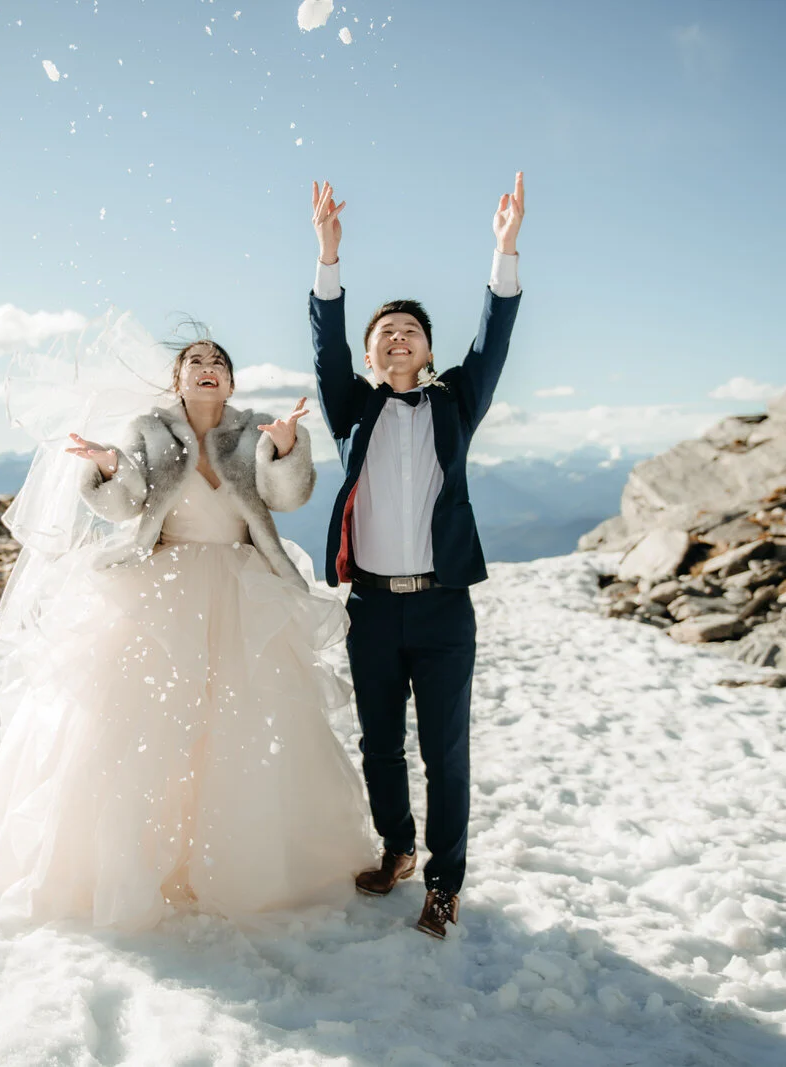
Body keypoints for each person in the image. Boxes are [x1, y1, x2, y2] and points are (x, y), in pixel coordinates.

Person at [0, 336, 377, 931]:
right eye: (195, 364)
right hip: (163, 584)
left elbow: (285, 497)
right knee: (145, 722)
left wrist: (284, 449)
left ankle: (248, 863)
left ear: (232, 383)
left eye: (219, 365)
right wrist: (105, 468)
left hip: (241, 585)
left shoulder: (255, 429)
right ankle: (134, 862)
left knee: (242, 719)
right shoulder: (149, 431)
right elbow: (125, 507)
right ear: (177, 380)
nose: (208, 371)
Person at [307, 173, 526, 938]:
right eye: (384, 333)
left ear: (427, 348)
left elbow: (492, 341)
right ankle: (396, 847)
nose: (396, 338)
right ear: (371, 355)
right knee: (378, 745)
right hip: (370, 606)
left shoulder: (457, 401)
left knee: (445, 752)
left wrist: (503, 255)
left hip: (441, 607)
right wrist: (329, 259)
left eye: (409, 330)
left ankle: (444, 880)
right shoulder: (353, 408)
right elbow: (325, 346)